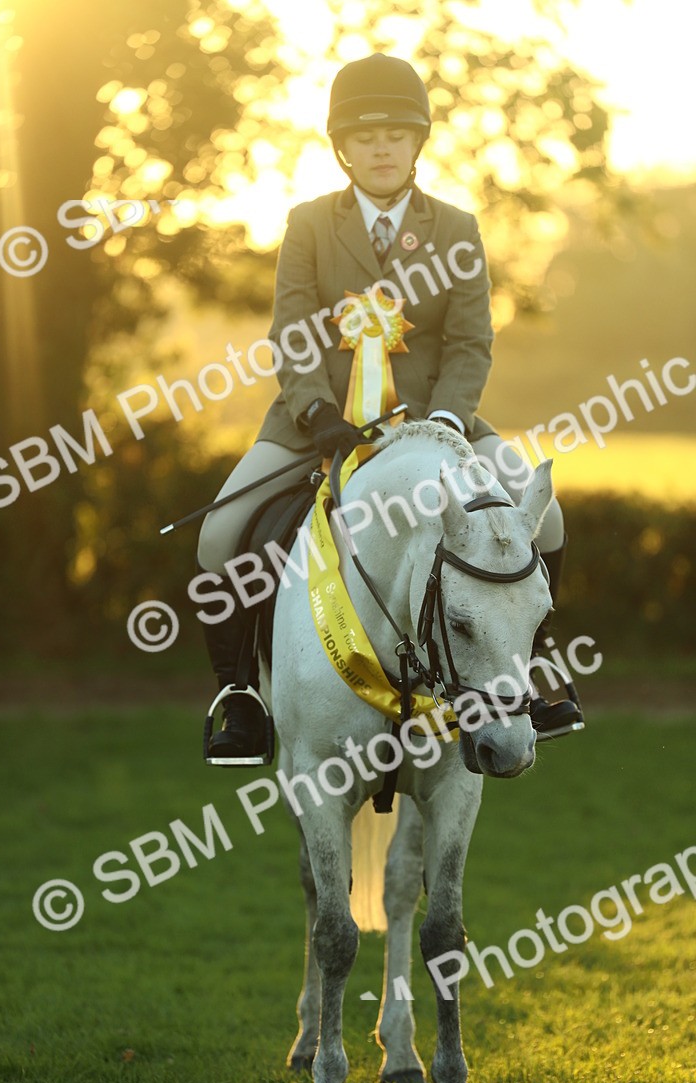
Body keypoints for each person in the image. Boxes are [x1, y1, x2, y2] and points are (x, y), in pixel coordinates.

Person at [197, 52, 584, 763]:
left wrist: (444, 417)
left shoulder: (458, 228)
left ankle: (533, 665)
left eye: (396, 134)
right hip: (318, 424)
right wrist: (316, 413)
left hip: (441, 423)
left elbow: (471, 341)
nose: (380, 146)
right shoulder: (309, 225)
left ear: (417, 143)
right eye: (365, 135)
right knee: (219, 535)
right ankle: (241, 696)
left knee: (547, 516)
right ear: (341, 147)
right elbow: (291, 330)